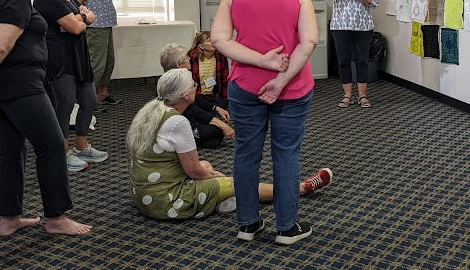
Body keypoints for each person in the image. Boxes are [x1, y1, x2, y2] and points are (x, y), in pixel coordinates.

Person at [211, 0, 320, 245]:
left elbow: (219, 40)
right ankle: (286, 228)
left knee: (246, 153)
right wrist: (280, 79)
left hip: (245, 86)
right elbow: (309, 41)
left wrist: (261, 61)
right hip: (292, 87)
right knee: (286, 155)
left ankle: (247, 225)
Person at [127, 69, 332, 222]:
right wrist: (217, 177)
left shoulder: (152, 111)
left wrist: (208, 172)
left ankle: (220, 200)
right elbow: (194, 172)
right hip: (166, 201)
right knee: (235, 183)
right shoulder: (177, 122)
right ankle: (300, 189)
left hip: (145, 195)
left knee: (206, 165)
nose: (196, 88)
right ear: (184, 94)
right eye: (193, 86)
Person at [0, 0, 92, 236]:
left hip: (6, 87)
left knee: (10, 148)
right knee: (51, 145)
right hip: (21, 85)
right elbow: (2, 46)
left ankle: (9, 218)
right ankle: (56, 218)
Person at [33, 0, 108, 172]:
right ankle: (63, 153)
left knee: (89, 100)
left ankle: (82, 147)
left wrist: (79, 18)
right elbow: (77, 25)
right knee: (64, 105)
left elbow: (86, 17)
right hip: (60, 59)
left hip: (78, 56)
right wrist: (81, 18)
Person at [317, 0, 379, 108]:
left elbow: (374, 2)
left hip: (363, 26)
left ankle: (362, 96)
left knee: (362, 61)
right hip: (340, 26)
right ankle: (347, 95)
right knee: (343, 61)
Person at [159, 43, 234, 147]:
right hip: (180, 123)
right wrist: (223, 126)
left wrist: (216, 108)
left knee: (213, 118)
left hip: (184, 118)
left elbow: (195, 100)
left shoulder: (168, 79)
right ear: (179, 65)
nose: (189, 58)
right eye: (186, 57)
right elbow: (194, 111)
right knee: (216, 130)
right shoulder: (178, 84)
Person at [76, 0, 119, 105]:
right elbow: (79, 2)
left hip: (105, 25)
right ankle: (86, 102)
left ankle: (102, 94)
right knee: (97, 65)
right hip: (95, 27)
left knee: (108, 62)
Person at [187, 30, 229, 106]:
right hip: (197, 96)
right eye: (210, 40)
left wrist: (225, 99)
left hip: (214, 96)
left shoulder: (221, 57)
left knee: (222, 105)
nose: (214, 42)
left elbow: (224, 80)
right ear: (201, 46)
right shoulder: (193, 58)